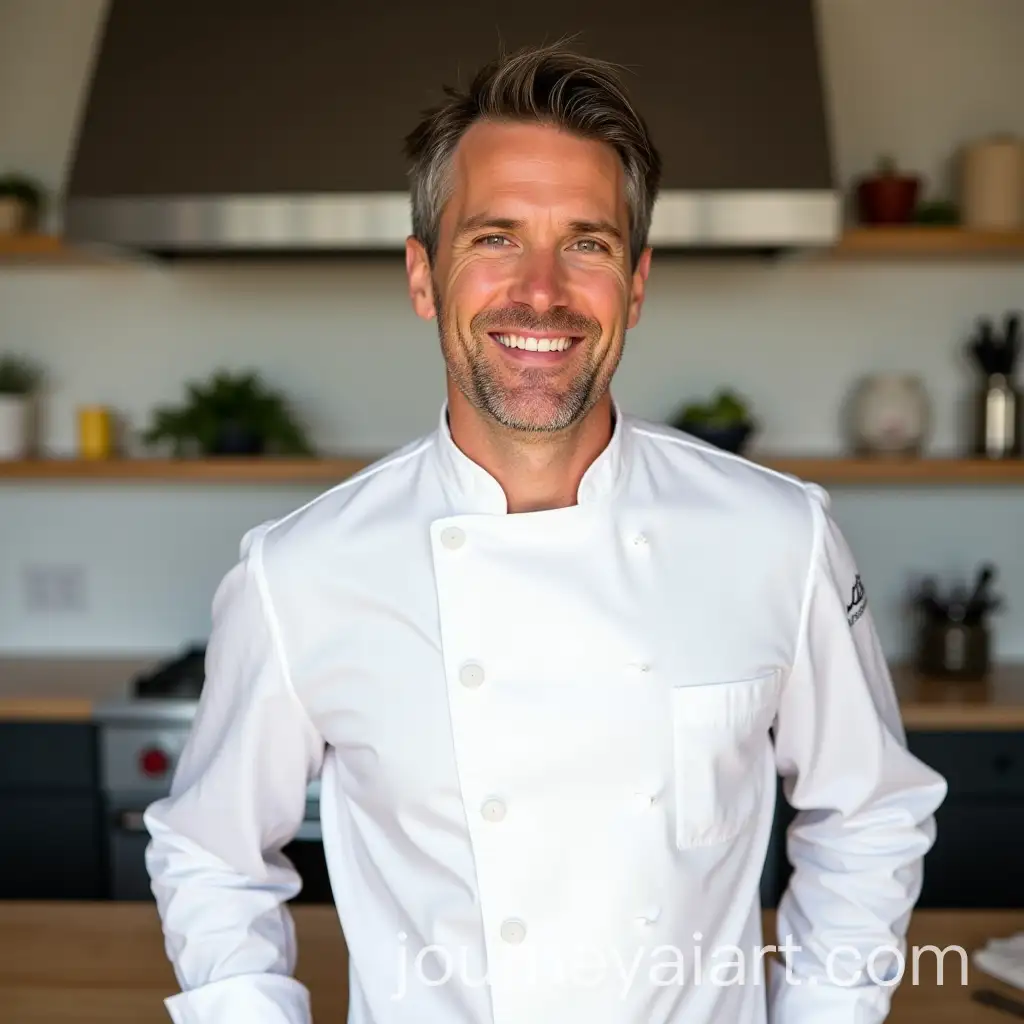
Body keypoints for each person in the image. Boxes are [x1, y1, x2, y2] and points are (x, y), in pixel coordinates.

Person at [144, 42, 947, 1024]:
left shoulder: (780, 537)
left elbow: (866, 814)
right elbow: (211, 852)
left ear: (636, 284)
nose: (540, 291)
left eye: (587, 242)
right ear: (422, 276)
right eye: (493, 237)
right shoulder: (301, 571)